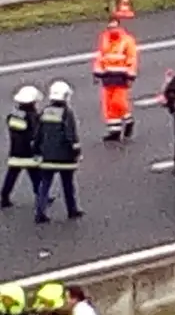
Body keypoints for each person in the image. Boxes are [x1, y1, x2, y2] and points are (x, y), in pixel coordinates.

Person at [34, 81, 83, 224]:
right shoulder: (67, 113)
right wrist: (76, 152)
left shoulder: (45, 111)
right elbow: (71, 135)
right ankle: (72, 209)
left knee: (45, 185)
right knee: (68, 184)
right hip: (65, 157)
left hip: (47, 156)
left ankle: (40, 212)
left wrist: (37, 150)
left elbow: (39, 134)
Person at [92, 17, 138, 141]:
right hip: (107, 76)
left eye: (114, 27)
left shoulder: (127, 40)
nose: (112, 30)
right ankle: (114, 131)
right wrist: (97, 73)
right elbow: (100, 56)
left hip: (121, 76)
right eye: (110, 27)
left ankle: (128, 120)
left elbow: (131, 59)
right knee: (108, 105)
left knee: (118, 102)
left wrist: (130, 76)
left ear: (119, 27)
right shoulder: (104, 38)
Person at [2, 86, 41, 209]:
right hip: (29, 152)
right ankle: (41, 195)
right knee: (36, 175)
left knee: (11, 176)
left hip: (15, 151)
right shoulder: (32, 116)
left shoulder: (13, 115)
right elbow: (35, 133)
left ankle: (4, 197)